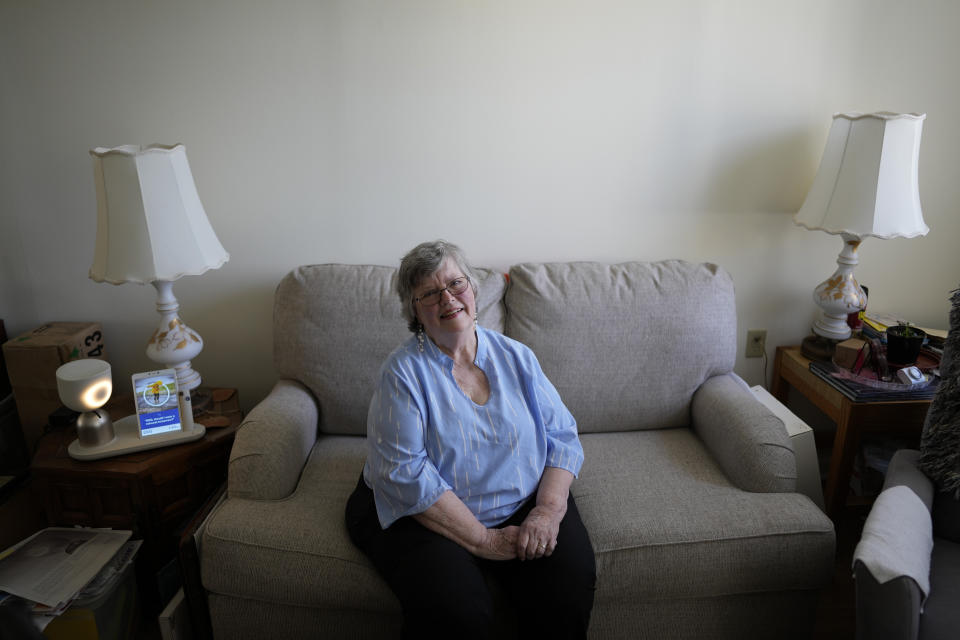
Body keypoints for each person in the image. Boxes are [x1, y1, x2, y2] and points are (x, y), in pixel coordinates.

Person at [345, 240, 596, 639]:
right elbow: (404, 473)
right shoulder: (403, 374)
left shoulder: (517, 356)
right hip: (421, 514)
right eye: (429, 293)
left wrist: (547, 511)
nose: (447, 298)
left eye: (455, 283)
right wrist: (483, 540)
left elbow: (562, 436)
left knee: (566, 587)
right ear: (414, 310)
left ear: (473, 290)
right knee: (457, 610)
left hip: (522, 499)